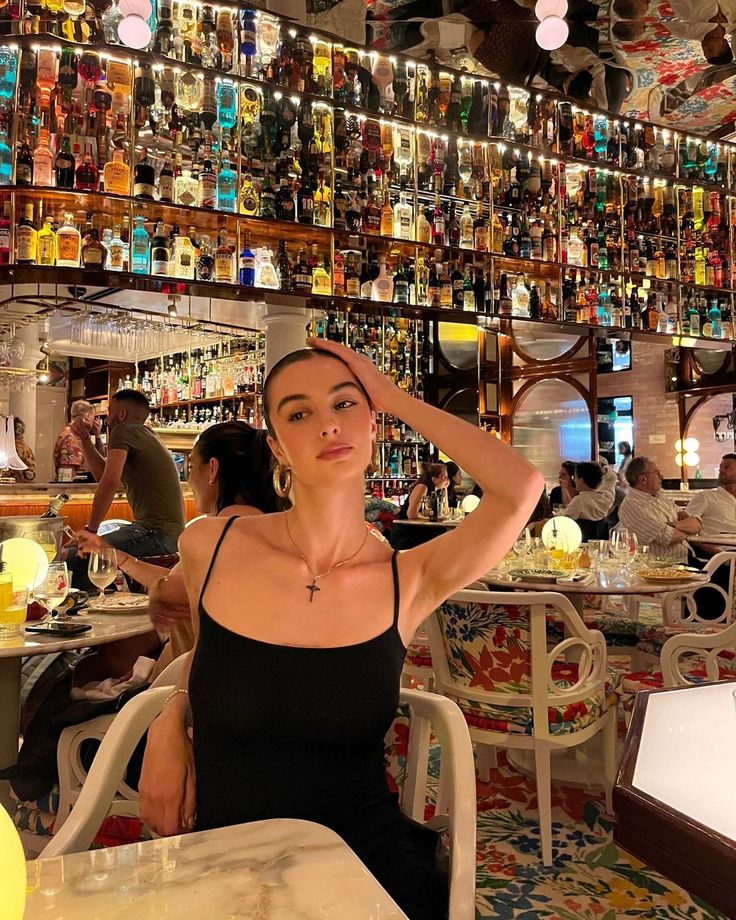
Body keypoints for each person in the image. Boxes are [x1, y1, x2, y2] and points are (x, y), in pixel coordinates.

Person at [138, 339, 543, 920]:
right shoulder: (210, 544)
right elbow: (211, 661)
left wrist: (393, 396)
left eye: (346, 405)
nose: (328, 425)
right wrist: (170, 717)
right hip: (225, 863)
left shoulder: (411, 577)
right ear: (276, 446)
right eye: (300, 413)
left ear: (374, 424)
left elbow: (520, 488)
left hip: (361, 862)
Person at [82, 420, 280, 681]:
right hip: (249, 684)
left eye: (190, 468)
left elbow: (171, 589)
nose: (187, 481)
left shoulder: (207, 535)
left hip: (180, 690)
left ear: (212, 470)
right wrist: (122, 559)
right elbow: (179, 584)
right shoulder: (278, 531)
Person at [66, 389, 185, 588]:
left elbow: (110, 483)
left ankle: (96, 610)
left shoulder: (123, 431)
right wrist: (85, 439)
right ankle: (110, 601)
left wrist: (91, 531)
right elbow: (103, 474)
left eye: (110, 410)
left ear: (121, 414)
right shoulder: (146, 434)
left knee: (78, 558)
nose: (107, 417)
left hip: (155, 534)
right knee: (87, 556)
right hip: (166, 535)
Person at [618, 456, 702, 562]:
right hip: (664, 568)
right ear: (643, 479)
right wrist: (687, 530)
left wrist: (673, 525)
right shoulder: (631, 506)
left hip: (687, 558)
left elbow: (697, 524)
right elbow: (669, 537)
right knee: (726, 571)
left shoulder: (660, 497)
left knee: (727, 567)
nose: (661, 477)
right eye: (657, 473)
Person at [685, 453, 736, 555]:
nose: (721, 470)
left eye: (726, 467)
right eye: (720, 467)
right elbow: (686, 528)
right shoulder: (705, 497)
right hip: (721, 553)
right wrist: (714, 551)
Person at [665, 0, 736, 64]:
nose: (704, 47)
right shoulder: (732, 24)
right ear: (724, 43)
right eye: (709, 49)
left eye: (704, 51)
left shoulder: (686, 31)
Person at [53, 399, 104, 482]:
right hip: (77, 489)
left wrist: (97, 436)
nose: (94, 421)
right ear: (87, 416)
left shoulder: (76, 435)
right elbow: (68, 473)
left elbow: (99, 461)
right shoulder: (72, 437)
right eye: (93, 417)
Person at [9, 417, 35, 482]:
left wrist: (31, 474)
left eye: (21, 428)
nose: (19, 431)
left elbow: (31, 465)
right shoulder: (7, 446)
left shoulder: (27, 448)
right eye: (17, 428)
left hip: (23, 483)